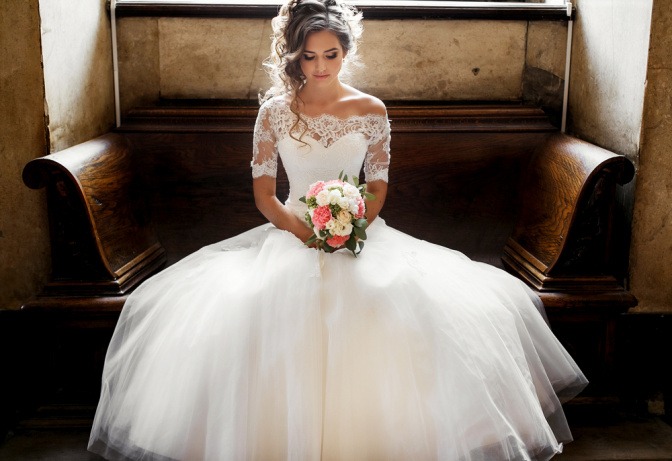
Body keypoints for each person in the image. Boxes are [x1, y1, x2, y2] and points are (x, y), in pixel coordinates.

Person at [88, 0, 587, 459]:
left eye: (330, 54)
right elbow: (265, 196)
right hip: (290, 235)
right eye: (309, 57)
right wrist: (306, 233)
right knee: (256, 304)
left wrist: (351, 228)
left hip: (359, 234)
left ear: (346, 52)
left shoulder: (371, 111)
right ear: (294, 57)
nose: (320, 66)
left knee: (394, 294)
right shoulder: (274, 113)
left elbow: (376, 189)